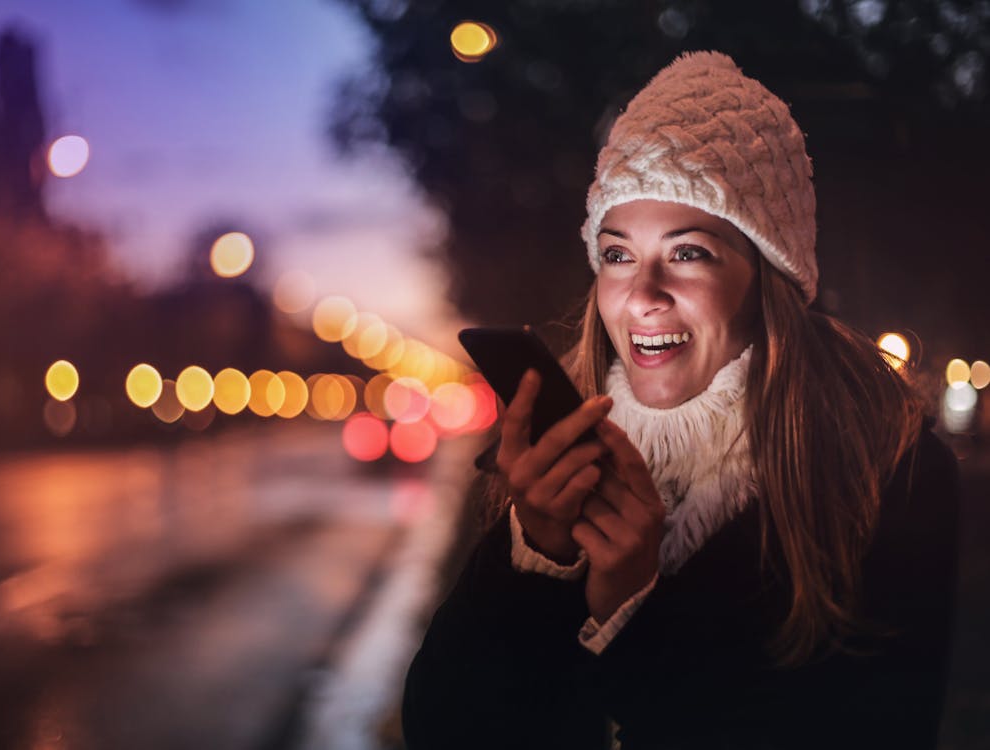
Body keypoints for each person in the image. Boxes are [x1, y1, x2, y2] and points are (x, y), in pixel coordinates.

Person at [401, 51, 960, 749]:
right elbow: (444, 730)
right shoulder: (559, 459)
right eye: (616, 254)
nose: (641, 294)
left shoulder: (890, 475)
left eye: (687, 252)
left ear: (767, 278)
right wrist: (535, 554)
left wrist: (631, 609)